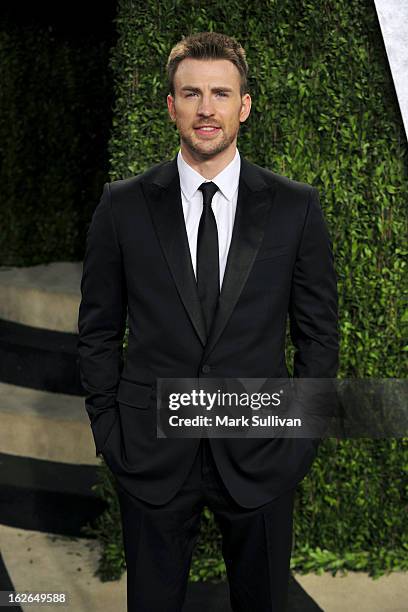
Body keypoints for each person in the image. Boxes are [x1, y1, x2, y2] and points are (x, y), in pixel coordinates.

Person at [77, 31, 339, 612]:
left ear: (244, 105)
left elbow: (319, 336)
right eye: (191, 93)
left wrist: (299, 441)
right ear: (171, 105)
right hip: (149, 454)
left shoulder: (296, 207)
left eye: (221, 93)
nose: (206, 109)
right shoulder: (122, 205)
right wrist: (109, 433)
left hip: (261, 451)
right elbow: (97, 329)